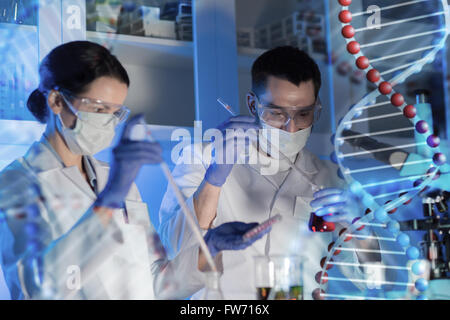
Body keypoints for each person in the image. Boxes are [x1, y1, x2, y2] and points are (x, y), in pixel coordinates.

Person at [0, 41, 266, 300]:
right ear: (57, 101)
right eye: (99, 108)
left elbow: (156, 281)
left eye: (115, 112)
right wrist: (111, 198)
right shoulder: (14, 184)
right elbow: (36, 290)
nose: (108, 121)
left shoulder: (113, 177)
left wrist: (210, 247)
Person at [159, 46, 382, 300]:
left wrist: (363, 233)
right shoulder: (201, 158)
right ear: (253, 104)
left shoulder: (331, 177)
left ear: (317, 107)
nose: (291, 127)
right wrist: (215, 177)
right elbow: (174, 251)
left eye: (304, 114)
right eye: (276, 113)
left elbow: (373, 282)